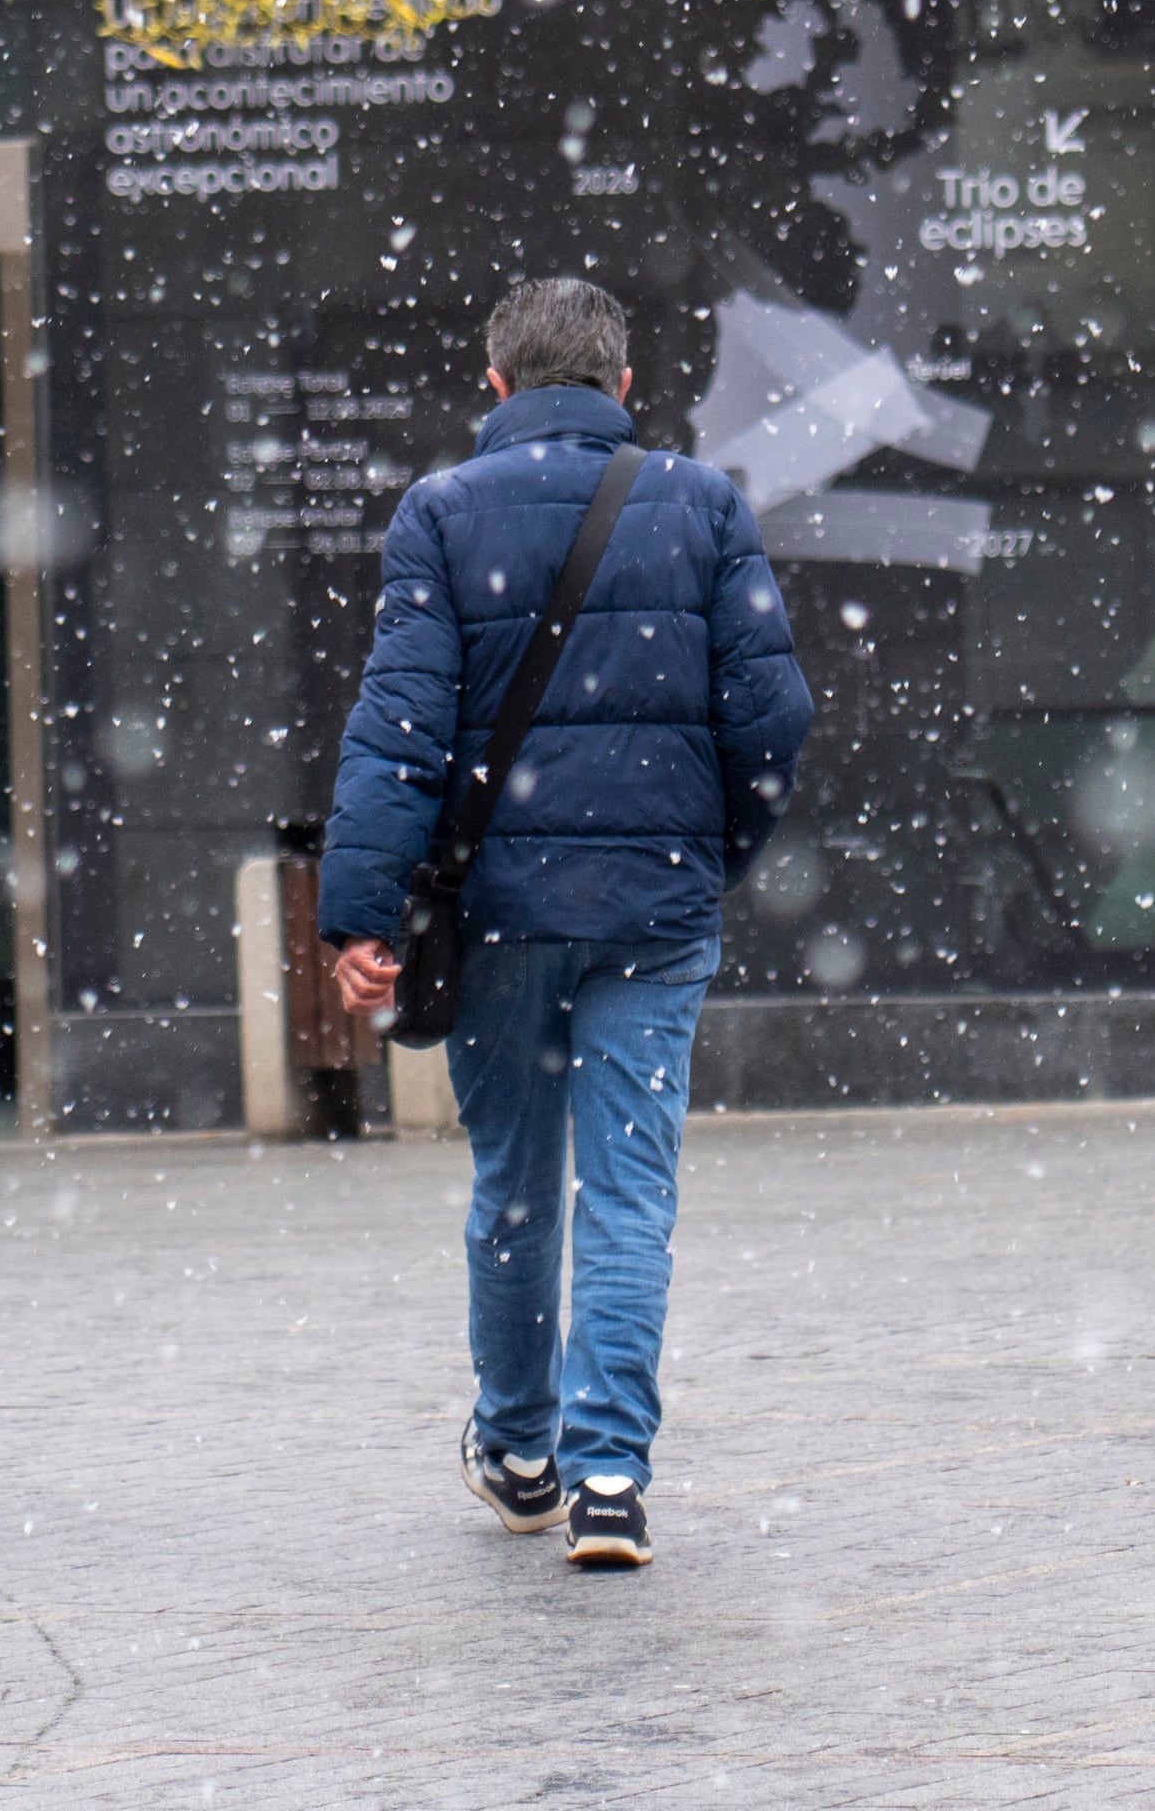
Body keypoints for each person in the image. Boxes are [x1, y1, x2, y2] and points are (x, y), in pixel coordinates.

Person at [319, 278, 813, 1570]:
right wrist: (713, 848)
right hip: (651, 908)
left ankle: (518, 1446)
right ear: (624, 383)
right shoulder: (701, 505)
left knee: (512, 1186)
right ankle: (609, 1476)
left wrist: (358, 913)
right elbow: (773, 715)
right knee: (628, 1193)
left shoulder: (437, 513)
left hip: (490, 917)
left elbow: (398, 728)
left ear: (493, 386)